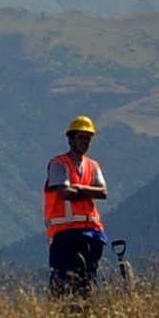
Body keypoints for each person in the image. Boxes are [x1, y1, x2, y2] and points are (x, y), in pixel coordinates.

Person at [45, 115, 110, 299]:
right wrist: (90, 191)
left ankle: (82, 312)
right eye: (81, 137)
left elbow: (103, 192)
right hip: (65, 233)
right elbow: (64, 193)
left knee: (87, 279)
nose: (85, 142)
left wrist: (79, 188)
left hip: (91, 232)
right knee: (63, 279)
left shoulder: (92, 165)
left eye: (87, 139)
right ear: (71, 139)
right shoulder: (58, 164)